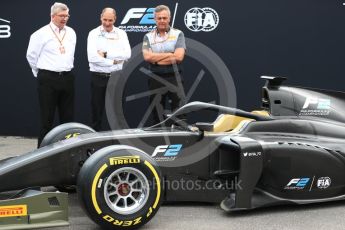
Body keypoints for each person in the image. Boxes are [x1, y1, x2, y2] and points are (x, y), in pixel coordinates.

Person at [26, 2, 76, 147]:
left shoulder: (71, 32)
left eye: (67, 15)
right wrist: (42, 74)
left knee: (68, 120)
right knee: (47, 120)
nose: (65, 18)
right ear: (52, 16)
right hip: (48, 79)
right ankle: (41, 154)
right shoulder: (40, 33)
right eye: (61, 16)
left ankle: (68, 150)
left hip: (67, 77)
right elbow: (31, 56)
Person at [87, 7, 131, 131]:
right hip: (98, 77)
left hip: (116, 77)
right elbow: (92, 57)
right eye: (105, 19)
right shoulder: (93, 33)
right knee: (96, 113)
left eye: (110, 20)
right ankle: (95, 143)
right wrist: (114, 60)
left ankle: (118, 143)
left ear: (115, 19)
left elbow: (127, 54)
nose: (107, 23)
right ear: (101, 17)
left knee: (118, 113)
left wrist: (106, 54)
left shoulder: (121, 33)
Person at [142, 5, 186, 125]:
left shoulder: (178, 34)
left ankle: (181, 141)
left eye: (164, 18)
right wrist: (170, 54)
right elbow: (147, 57)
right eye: (159, 18)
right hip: (155, 77)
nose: (162, 21)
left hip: (175, 77)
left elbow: (179, 57)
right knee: (157, 114)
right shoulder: (148, 36)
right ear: (155, 19)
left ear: (169, 18)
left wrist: (155, 59)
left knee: (179, 113)